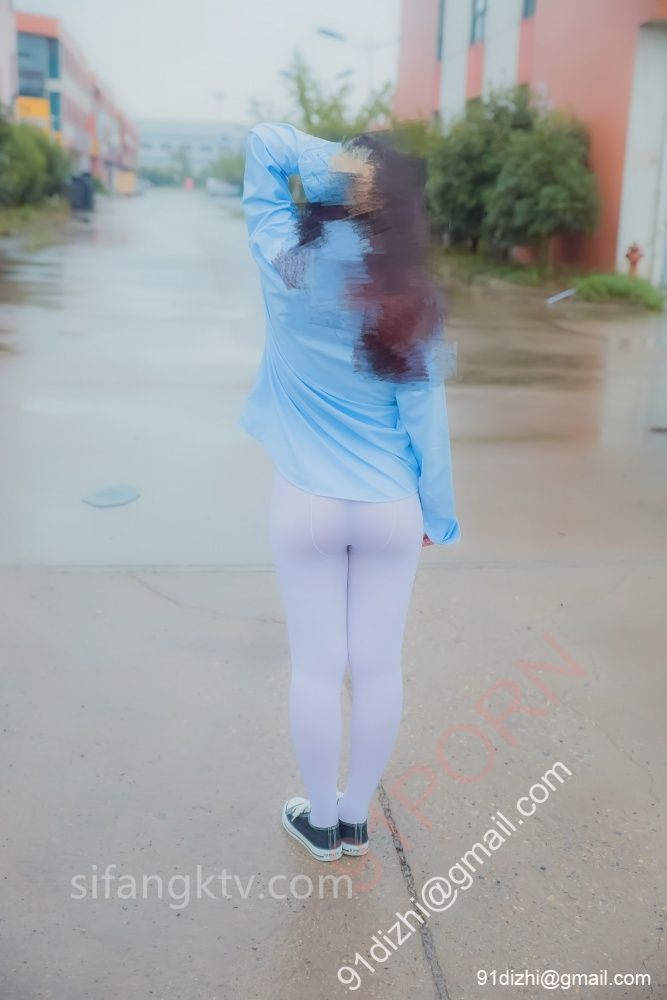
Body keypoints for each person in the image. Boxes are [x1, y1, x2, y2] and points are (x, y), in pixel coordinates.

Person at [239, 122, 460, 862]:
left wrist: (345, 166)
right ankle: (357, 818)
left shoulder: (287, 263)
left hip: (305, 498)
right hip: (390, 503)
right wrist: (438, 515)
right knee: (377, 665)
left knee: (315, 665)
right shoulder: (411, 296)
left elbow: (264, 145)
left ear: (337, 190)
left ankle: (321, 823)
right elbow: (426, 420)